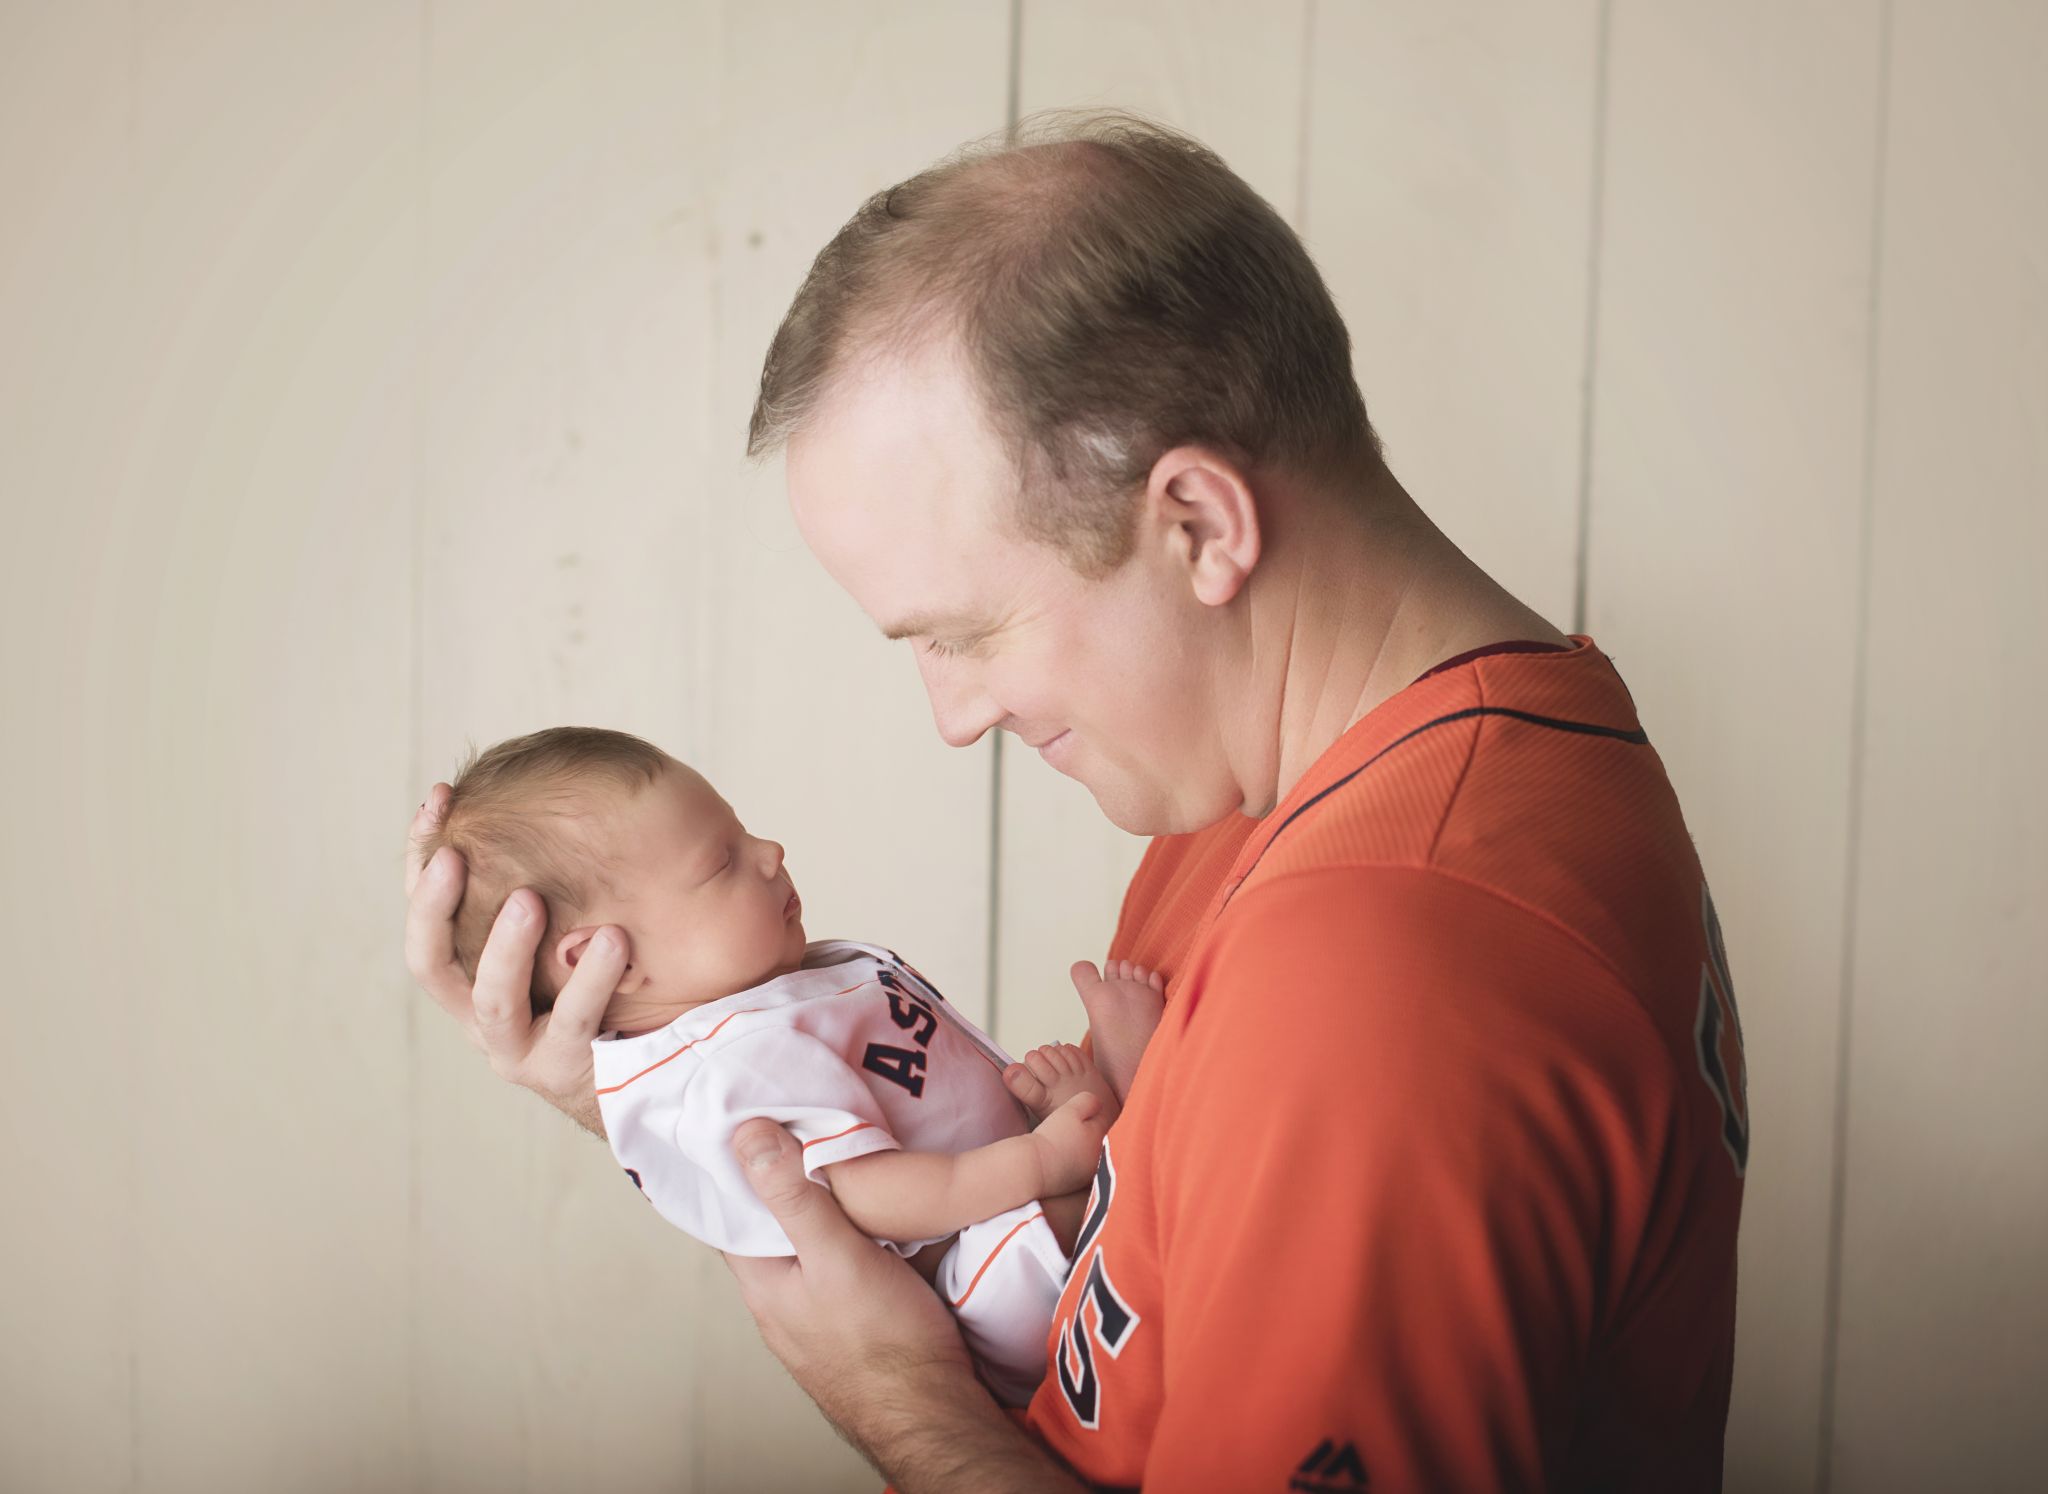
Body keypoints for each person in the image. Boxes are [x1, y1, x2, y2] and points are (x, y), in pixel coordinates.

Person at [405, 112, 1746, 1491]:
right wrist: (638, 1082)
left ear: (1201, 526)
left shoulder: (1382, 965)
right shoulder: (1295, 787)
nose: (953, 715)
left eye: (966, 631)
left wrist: (901, 1402)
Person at [414, 724, 1166, 1407]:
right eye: (722, 864)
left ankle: (1097, 1120)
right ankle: (1121, 1100)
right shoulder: (735, 1070)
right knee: (1097, 1200)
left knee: (1083, 1177)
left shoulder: (763, 997)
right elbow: (871, 1197)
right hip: (983, 1284)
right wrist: (1038, 1159)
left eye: (745, 836)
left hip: (997, 1198)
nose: (771, 854)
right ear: (612, 959)